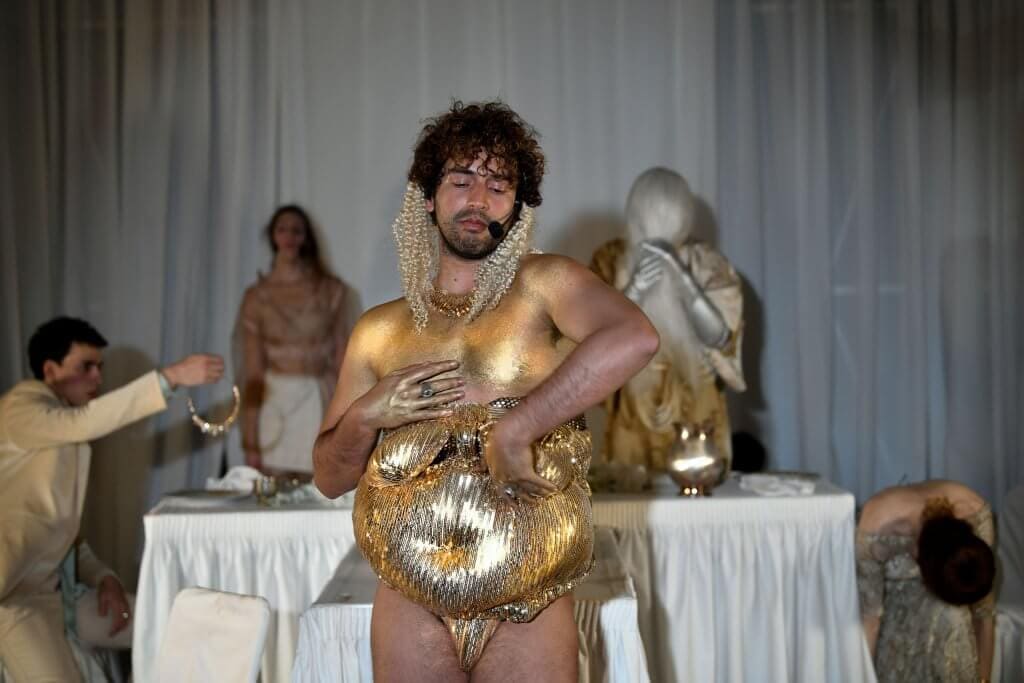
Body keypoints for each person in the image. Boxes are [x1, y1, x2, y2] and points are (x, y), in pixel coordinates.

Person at [313, 101, 659, 681]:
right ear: (429, 196)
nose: (479, 199)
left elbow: (635, 337)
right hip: (410, 600)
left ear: (517, 206)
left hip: (529, 598)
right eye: (461, 180)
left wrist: (517, 427)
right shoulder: (378, 331)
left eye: (499, 186)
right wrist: (366, 415)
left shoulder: (544, 284)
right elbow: (328, 478)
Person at [0, 316, 223, 681]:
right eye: (85, 367)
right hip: (12, 597)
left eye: (99, 368)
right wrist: (170, 378)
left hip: (55, 594)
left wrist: (105, 576)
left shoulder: (60, 422)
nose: (97, 378)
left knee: (173, 624)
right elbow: (83, 423)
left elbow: (64, 534)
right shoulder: (22, 406)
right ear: (50, 370)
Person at [590, 167, 745, 474]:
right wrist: (635, 289)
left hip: (695, 402)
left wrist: (684, 280)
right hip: (634, 405)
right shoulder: (610, 260)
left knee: (699, 483)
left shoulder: (707, 262)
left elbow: (722, 338)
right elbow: (589, 334)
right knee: (631, 495)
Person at [235, 204, 348, 474]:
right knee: (274, 486)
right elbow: (253, 371)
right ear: (272, 236)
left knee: (320, 482)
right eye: (282, 230)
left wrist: (346, 423)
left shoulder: (329, 290)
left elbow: (343, 360)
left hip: (318, 399)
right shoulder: (257, 297)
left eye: (297, 231)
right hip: (275, 404)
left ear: (306, 237)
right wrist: (251, 442)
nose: (289, 237)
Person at [856, 480, 996, 682]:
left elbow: (984, 611)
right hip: (895, 631)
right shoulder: (876, 524)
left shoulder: (974, 511)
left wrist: (983, 679)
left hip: (951, 635)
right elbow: (870, 620)